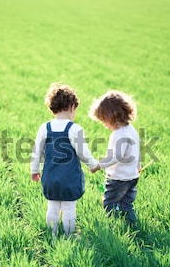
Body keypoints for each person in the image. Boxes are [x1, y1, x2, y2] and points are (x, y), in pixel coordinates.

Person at [31, 83, 99, 238]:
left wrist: (34, 171)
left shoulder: (45, 127)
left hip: (51, 177)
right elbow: (83, 153)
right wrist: (93, 165)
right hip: (69, 178)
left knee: (52, 207)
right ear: (72, 107)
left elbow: (37, 152)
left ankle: (52, 235)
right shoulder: (74, 129)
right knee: (69, 209)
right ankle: (69, 236)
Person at [89, 90, 141, 227]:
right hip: (132, 177)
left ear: (113, 117)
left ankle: (111, 226)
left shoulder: (119, 134)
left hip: (118, 179)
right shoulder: (132, 130)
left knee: (109, 203)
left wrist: (99, 165)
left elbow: (116, 156)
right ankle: (132, 224)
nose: (105, 125)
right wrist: (138, 165)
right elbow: (137, 150)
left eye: (105, 121)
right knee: (126, 203)